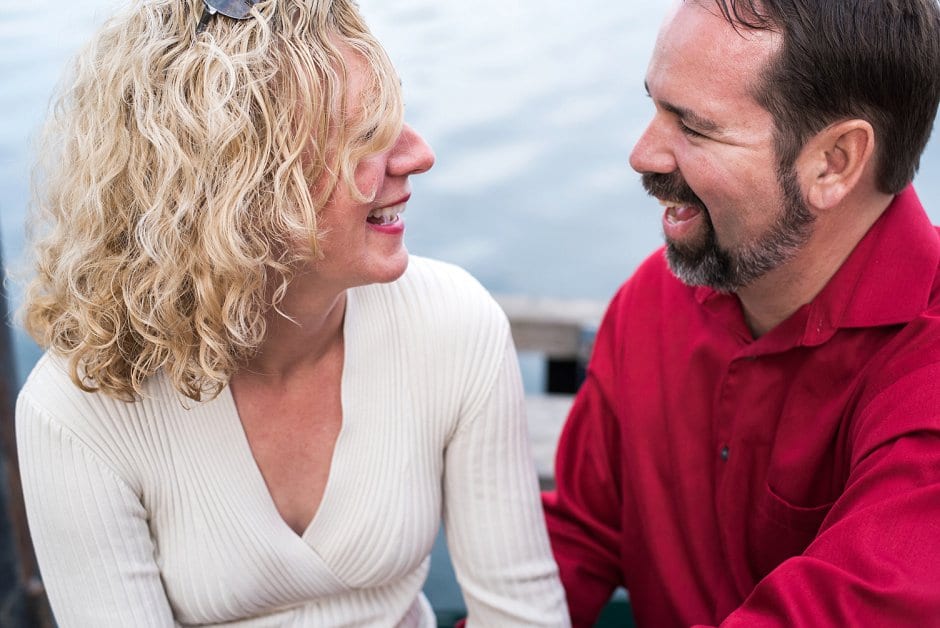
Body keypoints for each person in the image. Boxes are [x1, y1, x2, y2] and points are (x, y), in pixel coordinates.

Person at [15, 0, 569, 625]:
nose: (419, 154)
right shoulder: (75, 411)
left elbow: (521, 613)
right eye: (368, 137)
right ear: (240, 189)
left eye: (397, 121)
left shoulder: (454, 324)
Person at [543, 0, 940, 626]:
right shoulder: (654, 301)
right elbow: (579, 539)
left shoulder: (926, 374)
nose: (642, 155)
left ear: (834, 163)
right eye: (654, 106)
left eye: (694, 128)